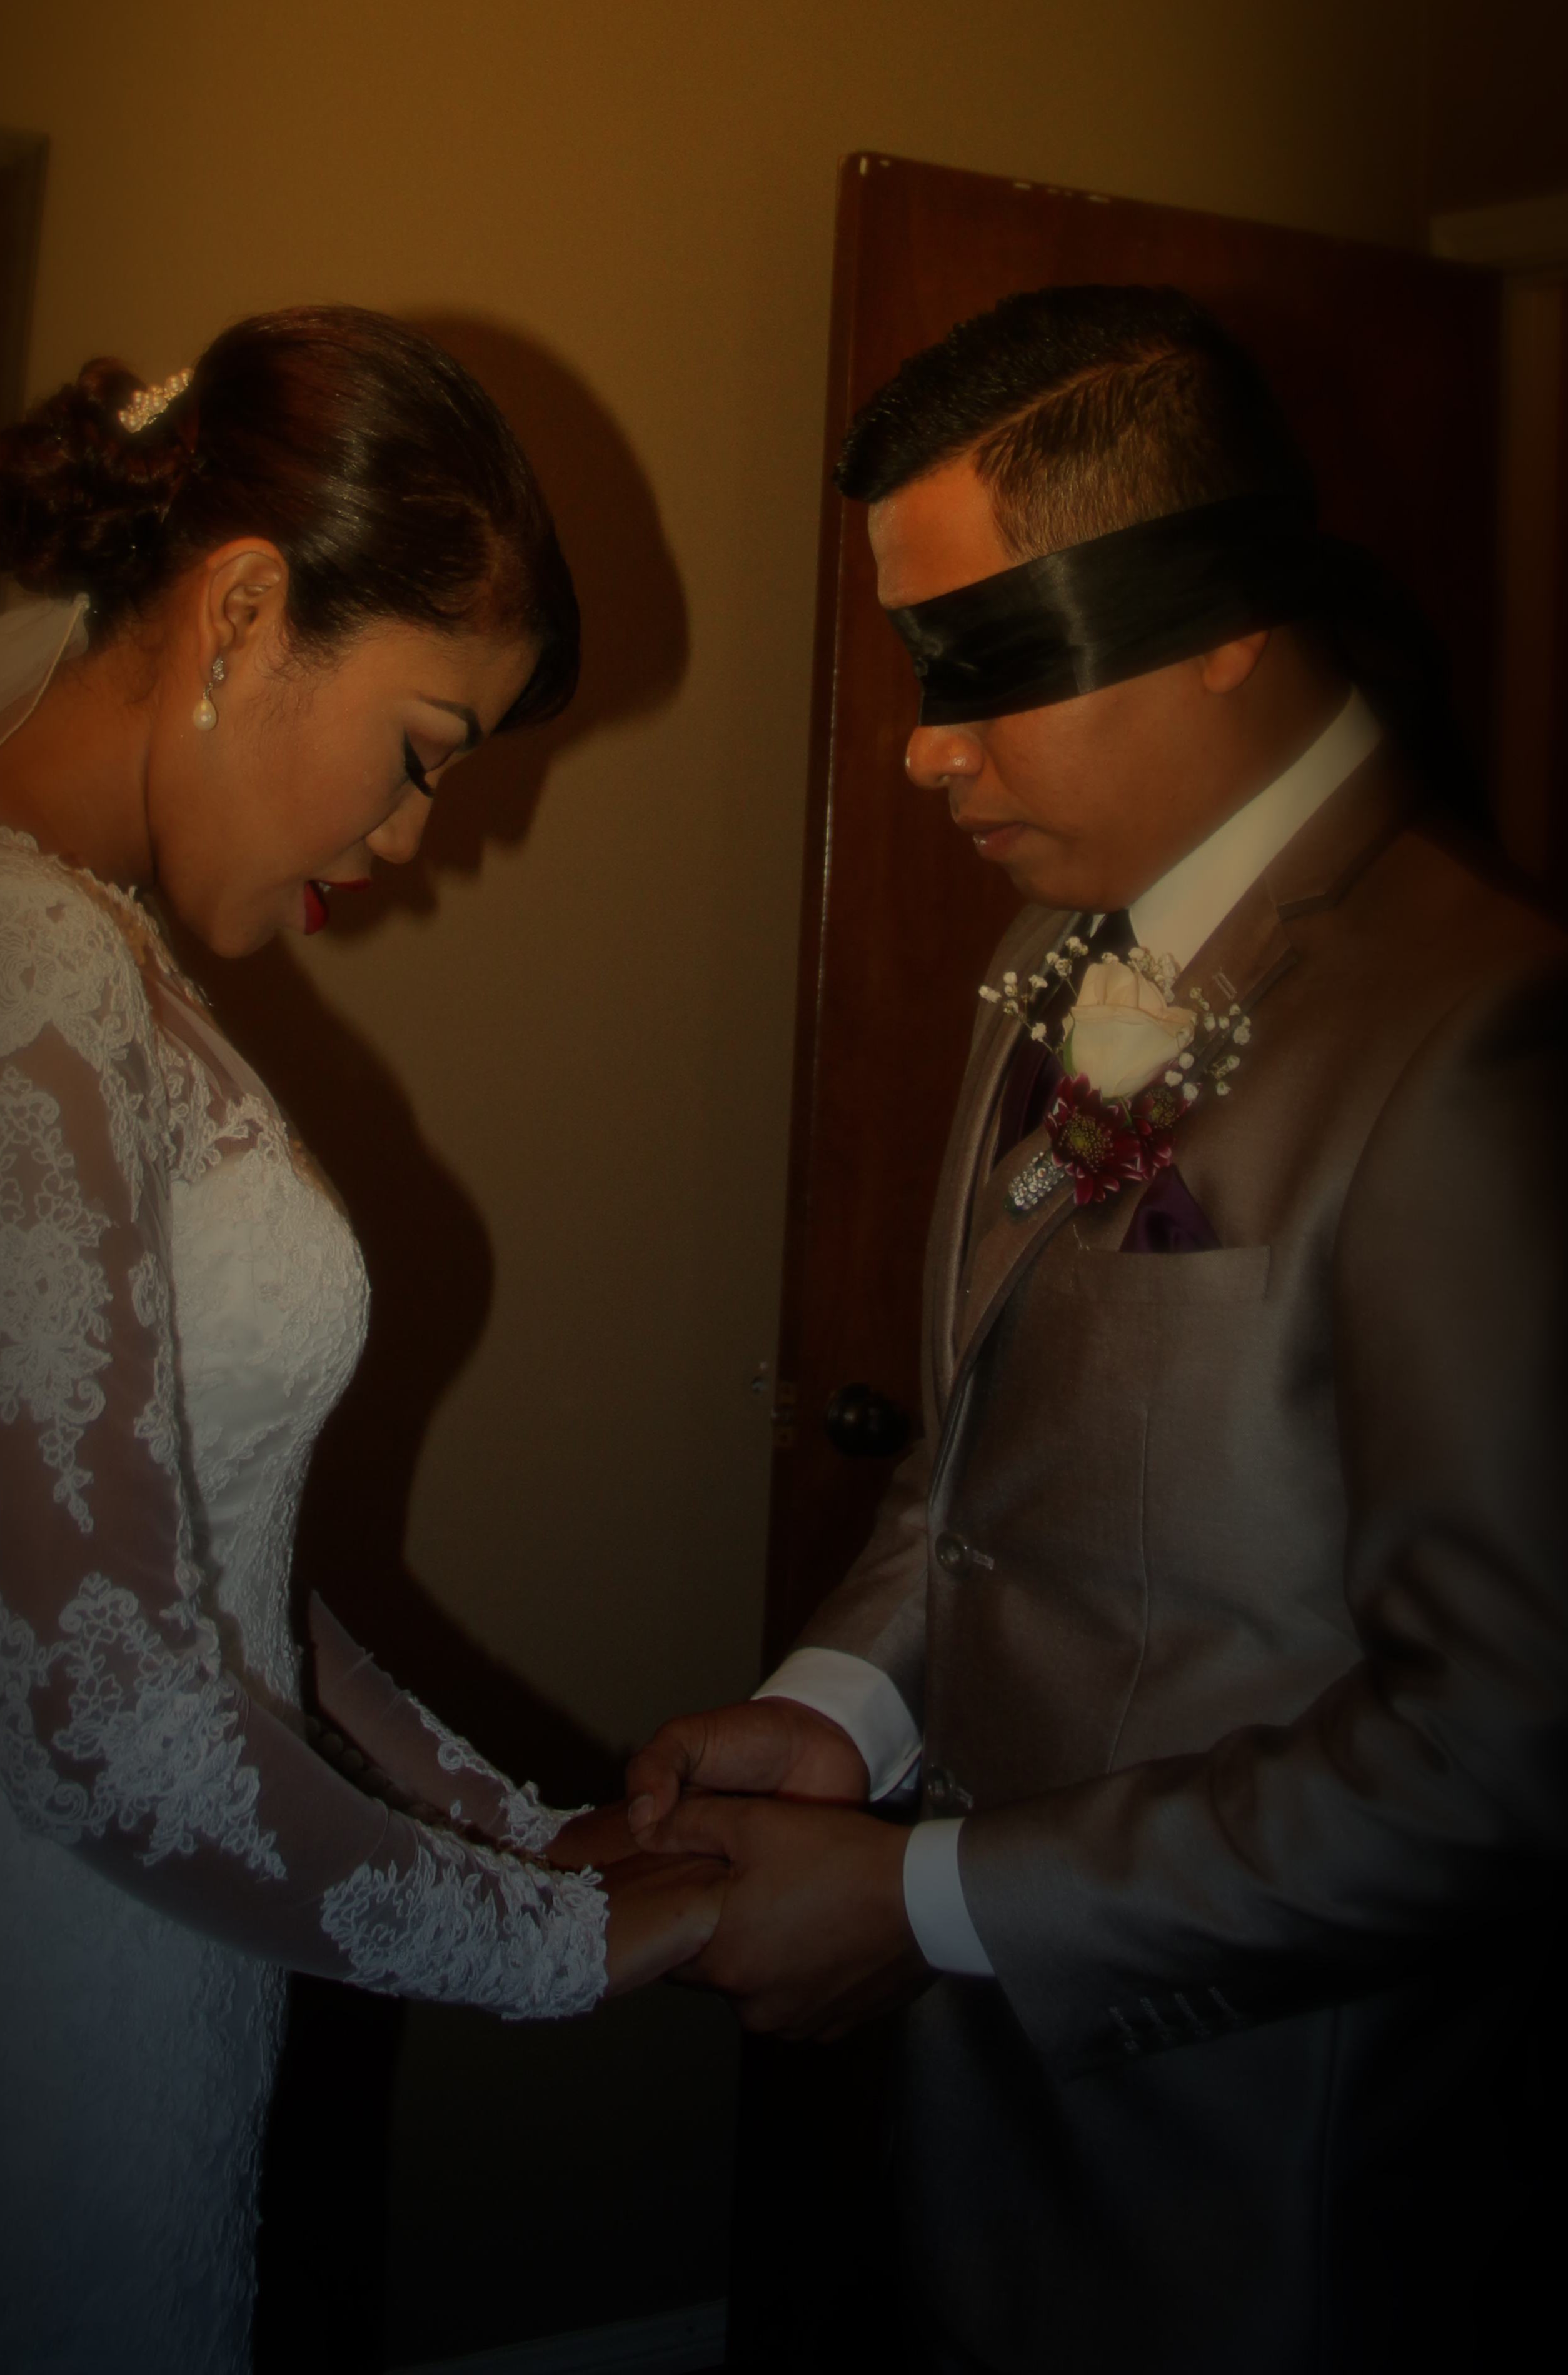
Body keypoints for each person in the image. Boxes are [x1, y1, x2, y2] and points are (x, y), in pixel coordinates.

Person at [0, 308, 721, 2373]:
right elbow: (112, 1719)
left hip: (40, 1959)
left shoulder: (17, 922)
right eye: (423, 748)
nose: (415, 838)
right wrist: (571, 1940)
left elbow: (180, 1544)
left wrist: (512, 1819)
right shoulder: (12, 963)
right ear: (246, 608)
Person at [628, 287, 1567, 2370]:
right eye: (916, 665)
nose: (923, 744)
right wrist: (846, 1713)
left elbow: (1505, 1752)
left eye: (985, 660)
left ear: (1224, 613)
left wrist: (922, 1902)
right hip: (985, 2154)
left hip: (1262, 2205)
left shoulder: (1485, 1030)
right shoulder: (1060, 953)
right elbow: (985, 1460)